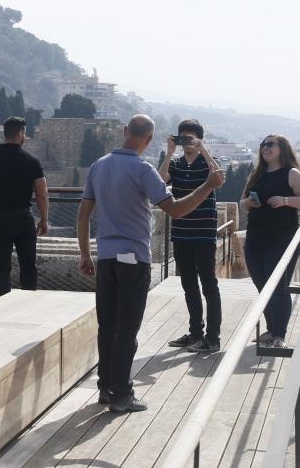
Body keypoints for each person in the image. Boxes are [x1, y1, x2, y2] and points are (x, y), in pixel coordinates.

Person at [77, 115, 225, 413]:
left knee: (107, 326)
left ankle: (105, 387)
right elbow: (177, 210)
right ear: (148, 140)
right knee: (127, 329)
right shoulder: (143, 170)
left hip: (105, 258)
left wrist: (84, 254)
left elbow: (83, 214)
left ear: (124, 132)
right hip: (133, 260)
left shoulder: (99, 165)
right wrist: (209, 186)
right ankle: (121, 394)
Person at [240, 134, 300, 349]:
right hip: (255, 237)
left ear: (282, 148)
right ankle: (271, 329)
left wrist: (286, 200)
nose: (265, 148)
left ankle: (279, 335)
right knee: (262, 285)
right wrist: (249, 202)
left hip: (282, 238)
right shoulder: (256, 174)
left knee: (279, 286)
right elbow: (242, 203)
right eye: (263, 145)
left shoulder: (291, 173)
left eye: (270, 144)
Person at [158, 119, 223, 353]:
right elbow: (160, 181)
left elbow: (218, 176)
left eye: (190, 138)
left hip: (204, 233)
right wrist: (168, 153)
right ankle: (196, 333)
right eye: (183, 137)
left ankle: (212, 338)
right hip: (181, 232)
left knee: (209, 285)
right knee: (189, 285)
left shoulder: (207, 163)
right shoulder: (175, 164)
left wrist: (203, 149)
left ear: (198, 139)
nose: (187, 142)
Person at [0, 116, 49, 296]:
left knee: (0, 269)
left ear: (5, 134)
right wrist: (44, 219)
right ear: (20, 133)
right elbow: (42, 194)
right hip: (24, 219)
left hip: (0, 220)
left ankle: (2, 307)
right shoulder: (32, 160)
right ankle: (27, 306)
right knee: (28, 267)